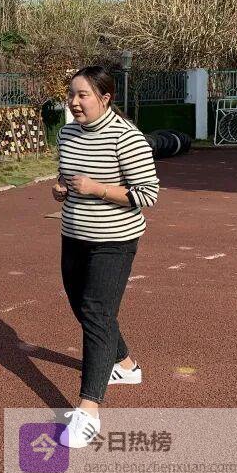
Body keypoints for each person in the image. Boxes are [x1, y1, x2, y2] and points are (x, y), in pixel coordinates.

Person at [53, 66, 159, 449]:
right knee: (83, 307)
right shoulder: (67, 134)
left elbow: (147, 194)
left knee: (96, 313)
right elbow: (65, 176)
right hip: (73, 235)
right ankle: (126, 365)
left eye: (82, 95)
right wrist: (61, 189)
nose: (74, 102)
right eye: (71, 94)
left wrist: (97, 189)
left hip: (114, 240)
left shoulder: (126, 137)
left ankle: (89, 409)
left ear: (105, 97)